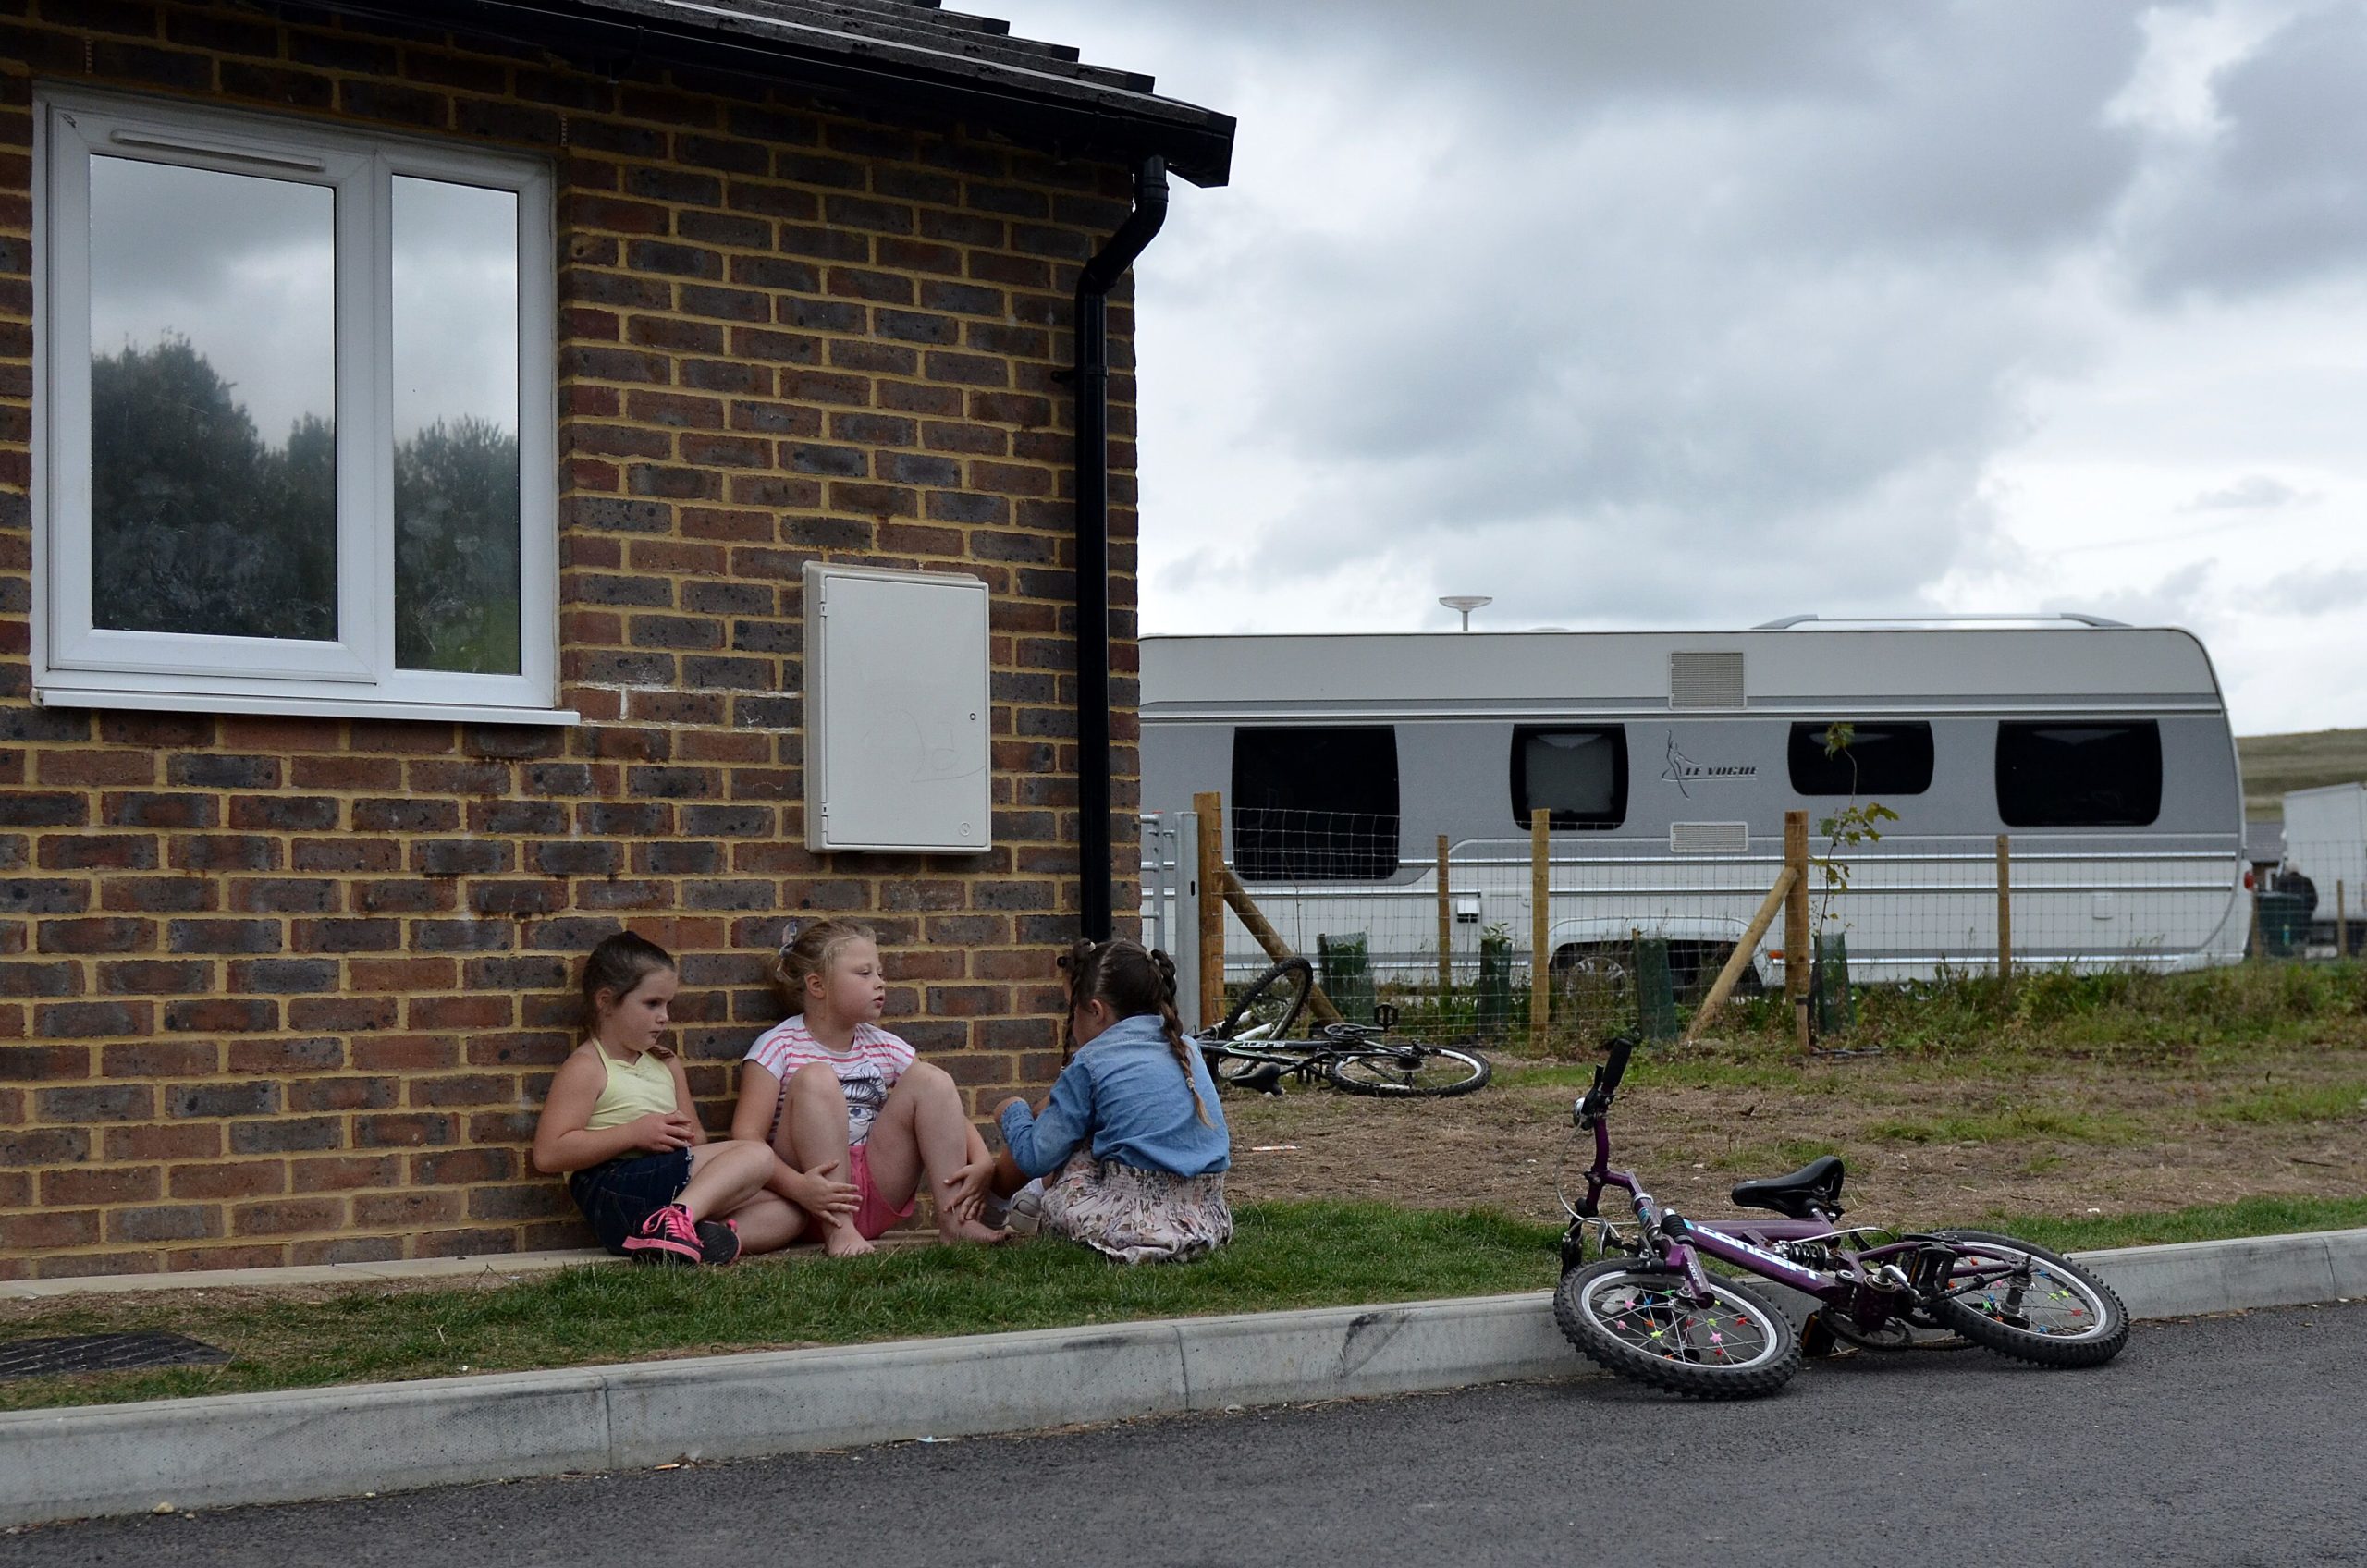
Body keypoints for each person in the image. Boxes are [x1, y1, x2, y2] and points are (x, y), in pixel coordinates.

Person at [533, 931, 828, 1265]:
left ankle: (684, 1241)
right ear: (605, 1001)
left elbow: (697, 1138)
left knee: (788, 1213)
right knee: (757, 1154)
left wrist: (678, 1136)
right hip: (613, 1191)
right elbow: (549, 1153)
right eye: (652, 1004)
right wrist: (635, 1133)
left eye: (667, 1004)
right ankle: (675, 1222)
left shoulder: (665, 1063)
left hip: (663, 1185)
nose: (664, 1016)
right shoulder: (589, 1066)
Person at [731, 918, 1004, 1256]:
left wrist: (980, 1159)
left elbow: (942, 1109)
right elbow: (746, 1139)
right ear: (817, 985)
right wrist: (800, 1187)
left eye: (880, 973)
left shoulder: (884, 1045)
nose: (879, 984)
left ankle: (955, 1223)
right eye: (864, 974)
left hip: (876, 1188)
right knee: (817, 1077)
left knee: (930, 1079)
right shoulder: (778, 1046)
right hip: (808, 1199)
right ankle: (840, 1233)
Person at [990, 937, 1233, 1265]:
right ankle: (1028, 1199)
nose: (1071, 1025)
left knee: (1077, 1138)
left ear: (1095, 1010)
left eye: (1070, 1010)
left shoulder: (1092, 1062)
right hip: (1205, 1217)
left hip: (1130, 1221)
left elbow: (1037, 1156)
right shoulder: (1187, 1048)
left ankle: (1030, 1199)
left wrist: (1012, 1111)